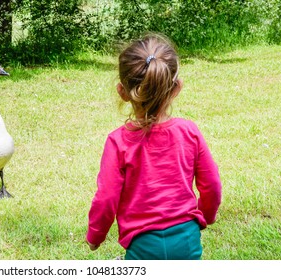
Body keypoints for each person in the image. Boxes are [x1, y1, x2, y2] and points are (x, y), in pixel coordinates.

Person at [86, 34, 222, 260]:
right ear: (176, 87)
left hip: (142, 244)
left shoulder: (118, 142)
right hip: (187, 239)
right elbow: (212, 184)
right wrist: (207, 214)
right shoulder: (189, 132)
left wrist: (95, 236)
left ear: (122, 91)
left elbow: (106, 197)